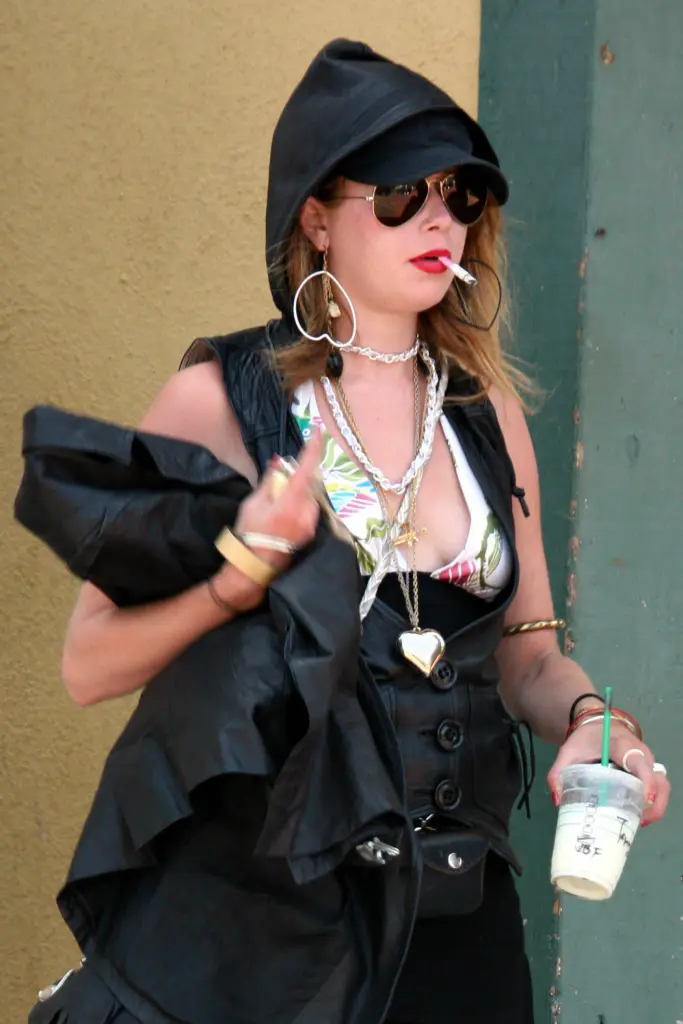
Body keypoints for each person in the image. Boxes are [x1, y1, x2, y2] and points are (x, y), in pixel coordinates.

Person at [19, 38, 669, 1024]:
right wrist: (235, 578)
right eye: (402, 193)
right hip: (260, 939)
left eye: (459, 195)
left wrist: (593, 725)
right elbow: (89, 663)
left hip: (456, 933)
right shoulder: (219, 398)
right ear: (315, 217)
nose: (439, 217)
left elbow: (529, 655)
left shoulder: (484, 411)